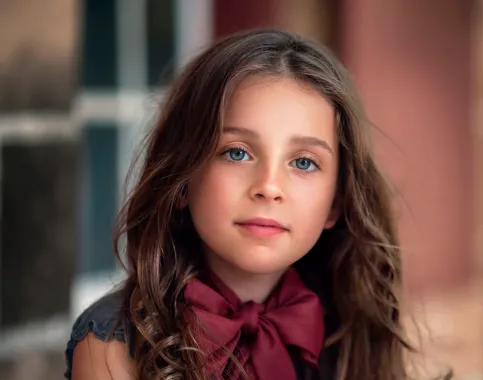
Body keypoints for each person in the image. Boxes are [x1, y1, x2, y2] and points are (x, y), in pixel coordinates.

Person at [65, 29, 422, 380]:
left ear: (336, 202)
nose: (268, 187)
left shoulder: (349, 328)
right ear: (183, 178)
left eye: (303, 162)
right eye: (237, 152)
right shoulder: (110, 343)